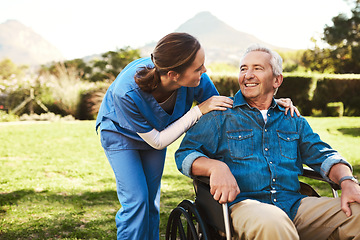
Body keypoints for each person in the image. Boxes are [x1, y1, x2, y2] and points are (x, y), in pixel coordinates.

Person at [96, 33, 297, 240]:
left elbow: (227, 111)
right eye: (198, 67)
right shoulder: (126, 92)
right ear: (174, 75)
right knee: (136, 201)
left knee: (151, 202)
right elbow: (157, 141)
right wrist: (198, 110)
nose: (205, 70)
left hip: (157, 133)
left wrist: (271, 102)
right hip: (121, 135)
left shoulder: (198, 79)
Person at [175, 44, 360, 240]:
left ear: (277, 80)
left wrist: (347, 181)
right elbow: (185, 154)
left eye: (257, 68)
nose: (248, 75)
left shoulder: (292, 119)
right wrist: (215, 167)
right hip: (243, 206)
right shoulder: (220, 115)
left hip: (294, 205)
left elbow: (324, 155)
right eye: (243, 69)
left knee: (356, 212)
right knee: (274, 222)